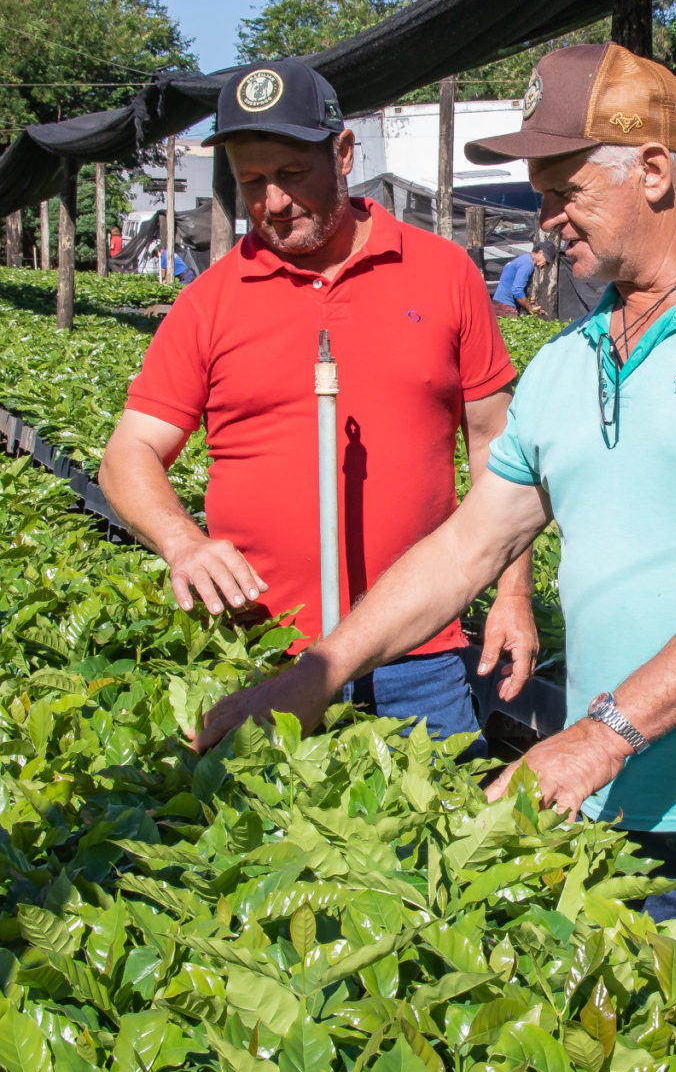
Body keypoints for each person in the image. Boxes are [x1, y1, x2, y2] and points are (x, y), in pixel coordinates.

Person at [198, 43, 676, 1072]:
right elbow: (467, 547)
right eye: (540, 193)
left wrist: (598, 736)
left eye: (566, 190)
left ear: (653, 171)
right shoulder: (566, 365)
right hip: (619, 814)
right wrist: (315, 674)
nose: (546, 218)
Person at [98, 57, 538, 739]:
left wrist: (513, 593)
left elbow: (496, 445)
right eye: (251, 181)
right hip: (261, 646)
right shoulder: (208, 302)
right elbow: (127, 454)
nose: (273, 201)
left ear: (343, 153)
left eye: (291, 173)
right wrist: (183, 543)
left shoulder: (442, 272)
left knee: (440, 807)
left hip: (417, 655)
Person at [491, 242, 539, 316]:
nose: (546, 264)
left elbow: (511, 283)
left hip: (498, 303)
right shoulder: (528, 264)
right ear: (541, 252)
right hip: (506, 307)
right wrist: (530, 309)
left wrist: (527, 299)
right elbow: (517, 290)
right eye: (547, 260)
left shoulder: (523, 259)